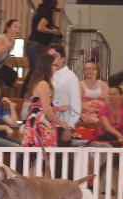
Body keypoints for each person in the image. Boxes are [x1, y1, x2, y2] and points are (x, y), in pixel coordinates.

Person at [46, 43, 81, 179]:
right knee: (52, 162)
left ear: (63, 59)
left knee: (63, 163)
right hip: (49, 124)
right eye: (50, 57)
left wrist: (69, 127)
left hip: (63, 124)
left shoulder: (70, 77)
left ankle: (68, 192)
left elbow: (76, 104)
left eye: (55, 56)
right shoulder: (48, 75)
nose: (53, 60)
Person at [21, 53, 69, 148]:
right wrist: (62, 123)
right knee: (42, 155)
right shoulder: (43, 84)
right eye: (54, 65)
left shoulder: (39, 82)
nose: (56, 67)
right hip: (40, 123)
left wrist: (57, 108)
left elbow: (41, 107)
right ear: (47, 66)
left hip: (38, 120)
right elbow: (46, 111)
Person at [20, 1, 62, 97]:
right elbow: (40, 27)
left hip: (31, 44)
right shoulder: (48, 12)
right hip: (36, 45)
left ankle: (25, 93)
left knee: (33, 70)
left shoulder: (40, 10)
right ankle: (26, 93)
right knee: (36, 71)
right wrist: (53, 31)